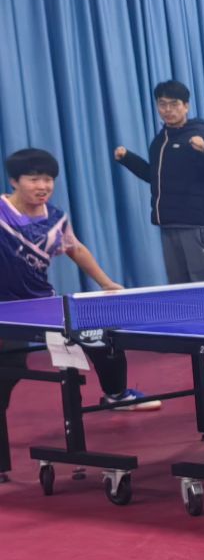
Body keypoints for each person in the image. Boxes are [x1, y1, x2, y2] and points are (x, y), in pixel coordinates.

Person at [0, 147, 158, 416]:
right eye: (34, 179)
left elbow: (75, 248)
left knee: (101, 336)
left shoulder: (55, 219)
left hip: (42, 305)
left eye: (48, 179)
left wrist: (107, 283)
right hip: (5, 309)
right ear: (14, 181)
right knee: (11, 366)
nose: (43, 186)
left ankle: (116, 396)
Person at [113, 80, 204, 284]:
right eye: (162, 104)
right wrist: (127, 158)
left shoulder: (198, 133)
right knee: (178, 285)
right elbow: (153, 177)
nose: (167, 110)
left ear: (186, 106)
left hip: (197, 225)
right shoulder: (160, 141)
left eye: (174, 104)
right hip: (169, 224)